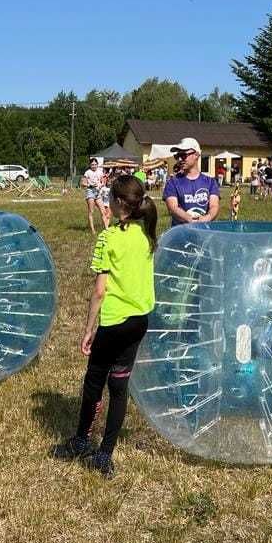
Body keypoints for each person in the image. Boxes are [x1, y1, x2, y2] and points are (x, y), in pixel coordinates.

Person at [52, 175, 157, 478]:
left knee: (94, 383)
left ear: (118, 202)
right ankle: (105, 453)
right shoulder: (146, 233)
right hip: (139, 322)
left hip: (113, 325)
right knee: (120, 386)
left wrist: (88, 329)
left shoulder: (108, 238)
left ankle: (82, 441)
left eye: (109, 196)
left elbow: (100, 291)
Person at [163, 137, 220, 224]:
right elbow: (173, 208)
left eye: (183, 155)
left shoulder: (211, 182)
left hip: (204, 233)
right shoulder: (172, 183)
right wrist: (190, 219)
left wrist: (207, 218)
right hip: (181, 234)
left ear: (196, 155)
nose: (179, 159)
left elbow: (214, 206)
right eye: (177, 156)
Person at [81, 158, 109, 235]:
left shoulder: (100, 172)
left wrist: (102, 184)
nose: (94, 166)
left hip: (98, 192)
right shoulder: (87, 172)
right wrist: (89, 184)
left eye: (95, 164)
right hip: (90, 192)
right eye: (92, 164)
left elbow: (103, 181)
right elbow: (83, 184)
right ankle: (93, 230)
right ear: (90, 165)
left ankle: (106, 229)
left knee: (103, 210)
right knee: (91, 211)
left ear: (97, 165)